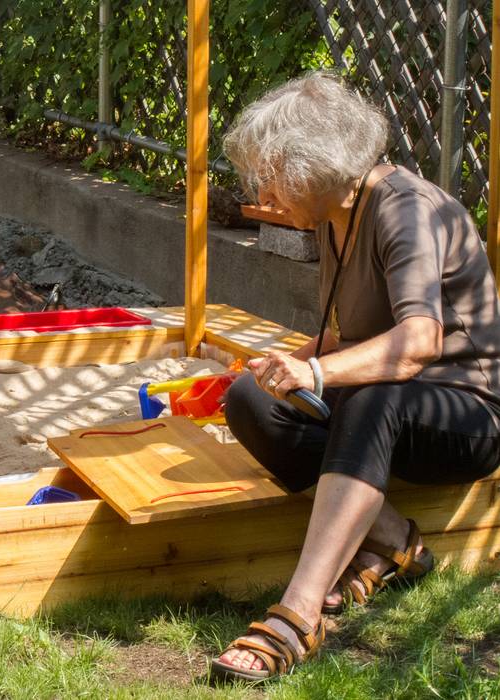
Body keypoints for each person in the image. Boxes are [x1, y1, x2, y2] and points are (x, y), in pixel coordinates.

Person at [210, 72, 500, 682]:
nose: (266, 189)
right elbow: (357, 335)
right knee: (250, 401)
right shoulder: (333, 216)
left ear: (316, 165)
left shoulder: (406, 211)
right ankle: (394, 539)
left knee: (372, 399)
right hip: (393, 401)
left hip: (467, 414)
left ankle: (298, 613)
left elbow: (416, 343)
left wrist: (315, 369)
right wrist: (288, 365)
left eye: (274, 172)